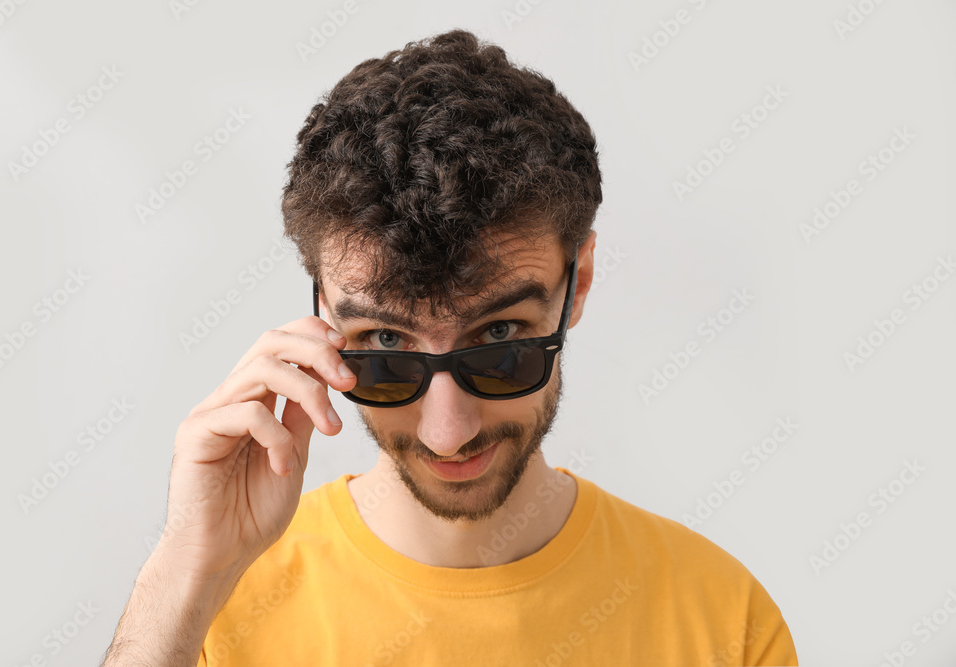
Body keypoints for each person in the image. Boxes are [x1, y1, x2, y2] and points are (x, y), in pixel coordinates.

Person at [101, 28, 798, 667]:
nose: (448, 430)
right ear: (320, 311)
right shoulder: (213, 611)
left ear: (577, 283)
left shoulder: (723, 622)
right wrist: (187, 568)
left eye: (498, 338)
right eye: (385, 343)